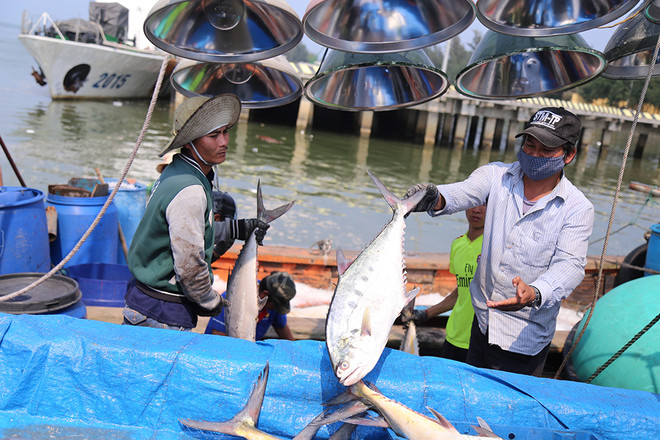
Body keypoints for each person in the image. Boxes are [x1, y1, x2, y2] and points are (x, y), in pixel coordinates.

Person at [406, 107, 594, 376]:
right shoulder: (496, 176)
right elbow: (463, 192)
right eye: (530, 145)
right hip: (482, 324)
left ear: (569, 155)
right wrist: (434, 197)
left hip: (525, 339)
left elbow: (571, 265)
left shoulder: (577, 208)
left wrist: (536, 291)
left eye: (546, 150)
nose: (534, 155)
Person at [123, 94, 268, 331]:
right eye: (213, 136)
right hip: (160, 313)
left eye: (225, 132)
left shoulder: (177, 172)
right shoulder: (190, 189)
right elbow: (189, 266)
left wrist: (240, 229)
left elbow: (185, 231)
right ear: (190, 142)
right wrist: (211, 302)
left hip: (145, 302)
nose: (224, 142)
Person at [410, 204, 486, 363]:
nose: (477, 210)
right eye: (473, 204)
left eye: (484, 204)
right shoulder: (457, 245)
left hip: (481, 343)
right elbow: (461, 293)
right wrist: (425, 314)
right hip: (453, 336)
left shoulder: (493, 247)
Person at [204, 271, 297, 340]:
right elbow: (217, 333)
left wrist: (293, 351)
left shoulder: (274, 301)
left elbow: (281, 327)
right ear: (265, 295)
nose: (276, 309)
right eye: (276, 305)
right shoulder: (233, 298)